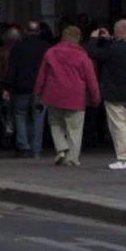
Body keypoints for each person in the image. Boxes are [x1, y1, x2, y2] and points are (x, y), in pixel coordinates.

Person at [34, 24, 98, 167]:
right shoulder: (82, 56)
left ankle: (62, 148)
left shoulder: (50, 53)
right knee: (74, 129)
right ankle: (73, 158)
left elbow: (41, 76)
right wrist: (95, 98)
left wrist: (38, 92)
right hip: (76, 97)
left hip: (53, 95)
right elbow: (91, 79)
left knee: (56, 124)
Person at [90, 19, 126, 171]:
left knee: (117, 126)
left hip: (113, 91)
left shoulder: (114, 48)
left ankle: (123, 157)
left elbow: (94, 53)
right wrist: (110, 40)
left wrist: (94, 38)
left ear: (119, 31)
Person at [1, 21, 48, 156]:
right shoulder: (45, 47)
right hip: (40, 88)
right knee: (37, 117)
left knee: (20, 115)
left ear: (26, 31)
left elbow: (12, 68)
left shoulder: (18, 47)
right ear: (39, 32)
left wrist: (8, 86)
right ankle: (36, 148)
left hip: (21, 87)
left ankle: (23, 145)